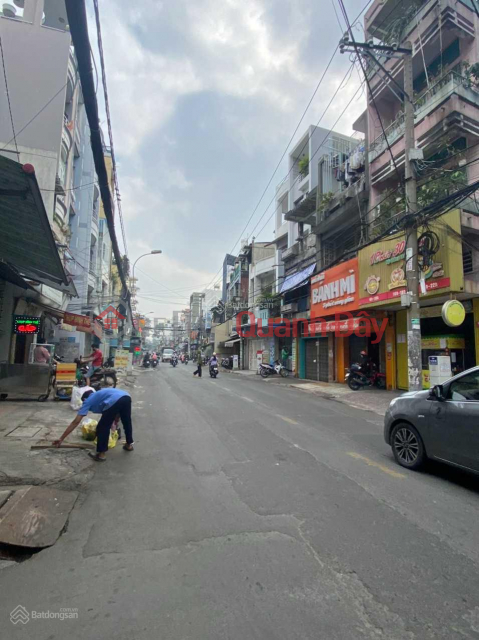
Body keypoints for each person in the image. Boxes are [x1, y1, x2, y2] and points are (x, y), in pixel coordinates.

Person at [53, 387, 134, 462]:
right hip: (126, 397)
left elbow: (76, 422)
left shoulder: (88, 400)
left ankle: (101, 455)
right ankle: (128, 445)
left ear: (84, 399)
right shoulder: (99, 395)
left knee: (102, 427)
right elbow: (115, 408)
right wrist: (116, 418)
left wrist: (61, 438)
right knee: (127, 421)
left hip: (115, 400)